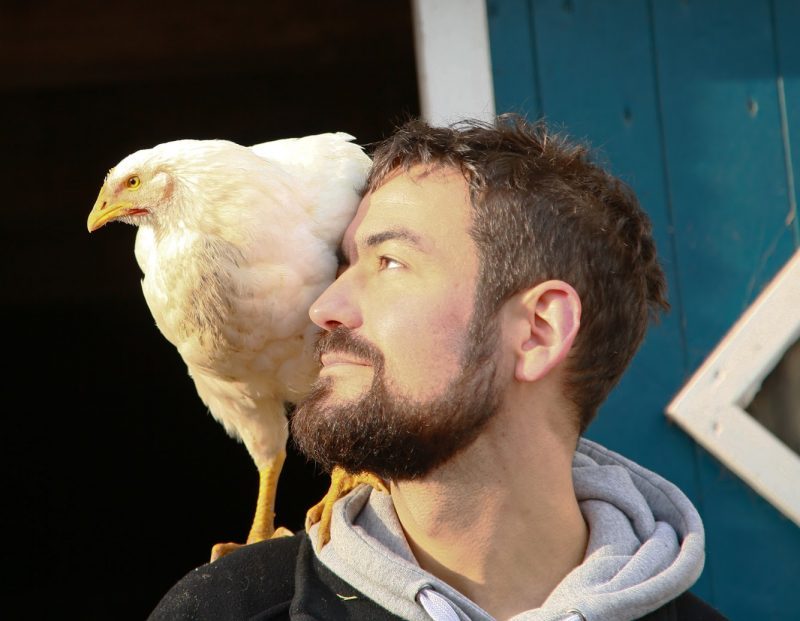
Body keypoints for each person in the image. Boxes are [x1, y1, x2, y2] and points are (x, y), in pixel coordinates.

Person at [147, 114, 728, 620]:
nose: (323, 308)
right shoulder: (222, 610)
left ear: (539, 331)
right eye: (342, 263)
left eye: (389, 262)